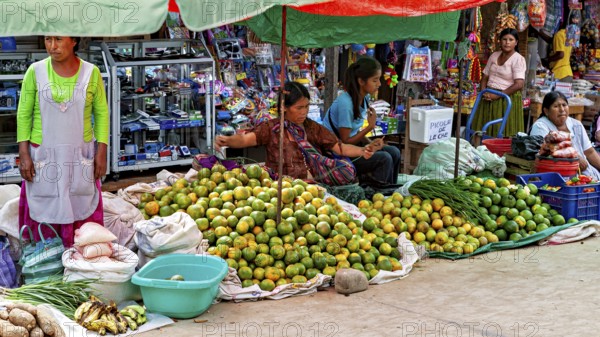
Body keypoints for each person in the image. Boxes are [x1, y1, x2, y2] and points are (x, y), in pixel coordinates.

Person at [17, 36, 109, 248]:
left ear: (74, 40)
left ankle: (80, 265)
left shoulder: (91, 72)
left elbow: (102, 114)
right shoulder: (36, 71)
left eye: (58, 39)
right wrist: (24, 155)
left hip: (79, 156)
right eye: (48, 39)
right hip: (44, 157)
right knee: (46, 209)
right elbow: (23, 114)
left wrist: (101, 151)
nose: (52, 46)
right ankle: (46, 263)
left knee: (80, 206)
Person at [215, 82, 375, 183]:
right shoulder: (271, 128)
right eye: (299, 108)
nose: (304, 112)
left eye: (306, 107)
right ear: (284, 107)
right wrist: (227, 141)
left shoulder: (311, 127)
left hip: (309, 188)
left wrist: (363, 150)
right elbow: (244, 141)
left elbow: (339, 148)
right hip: (278, 188)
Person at [322, 57, 400, 185]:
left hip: (350, 146)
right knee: (384, 159)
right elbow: (345, 140)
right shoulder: (346, 103)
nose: (379, 84)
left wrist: (371, 143)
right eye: (375, 80)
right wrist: (370, 127)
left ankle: (390, 193)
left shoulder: (364, 98)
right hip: (337, 153)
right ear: (361, 81)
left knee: (394, 152)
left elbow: (354, 131)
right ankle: (377, 196)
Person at [530, 91, 600, 180]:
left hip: (585, 176)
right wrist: (575, 157)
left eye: (564, 105)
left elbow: (590, 152)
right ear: (546, 111)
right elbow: (547, 151)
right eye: (556, 106)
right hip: (557, 176)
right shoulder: (540, 126)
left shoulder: (576, 124)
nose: (562, 109)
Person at [472, 28, 526, 142]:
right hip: (488, 96)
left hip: (505, 98)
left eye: (511, 40)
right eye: (504, 39)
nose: (507, 42)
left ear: (516, 42)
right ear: (499, 41)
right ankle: (478, 151)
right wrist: (483, 92)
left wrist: (498, 96)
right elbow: (485, 77)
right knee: (480, 128)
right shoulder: (494, 55)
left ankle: (498, 155)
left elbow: (519, 84)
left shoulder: (518, 59)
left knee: (500, 132)